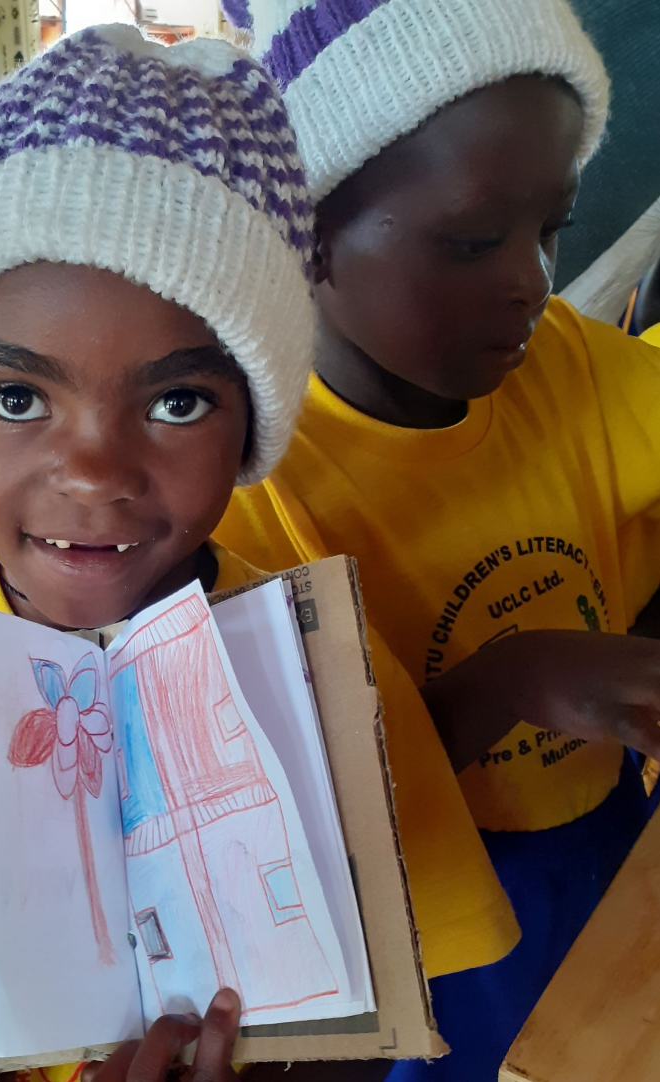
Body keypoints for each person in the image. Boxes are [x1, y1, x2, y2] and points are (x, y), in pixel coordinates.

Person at [0, 25, 513, 1082]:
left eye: (177, 402)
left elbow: (383, 1000)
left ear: (252, 424)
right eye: (15, 397)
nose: (92, 474)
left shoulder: (319, 670)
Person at [214, 1, 660, 1079]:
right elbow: (293, 829)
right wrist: (510, 680)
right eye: (470, 241)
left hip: (599, 842)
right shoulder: (242, 486)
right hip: (422, 917)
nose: (532, 281)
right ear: (307, 234)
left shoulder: (570, 366)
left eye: (550, 228)